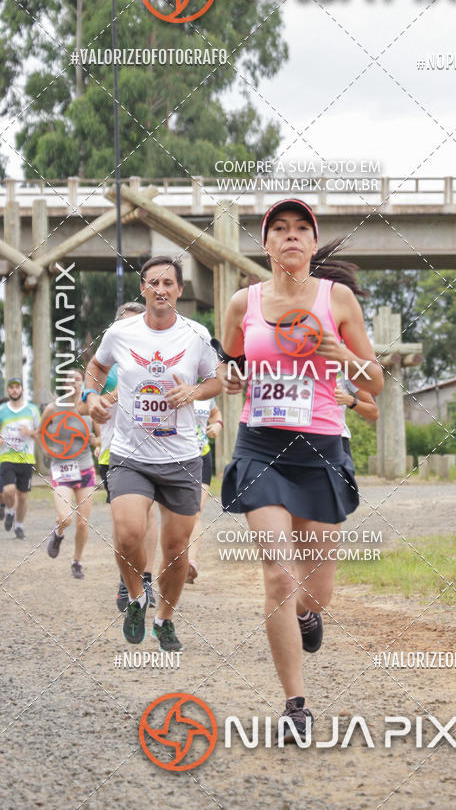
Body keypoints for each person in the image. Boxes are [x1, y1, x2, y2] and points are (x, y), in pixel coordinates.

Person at [220, 198, 383, 742]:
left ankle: (309, 616)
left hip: (320, 450)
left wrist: (342, 355)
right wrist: (232, 376)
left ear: (313, 243)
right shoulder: (242, 302)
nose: (290, 236)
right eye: (279, 229)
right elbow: (231, 361)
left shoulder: (336, 299)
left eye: (300, 229)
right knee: (278, 575)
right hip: (260, 446)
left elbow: (375, 383)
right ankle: (295, 705)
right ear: (266, 243)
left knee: (314, 592)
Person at [83, 257, 220, 652]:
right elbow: (95, 367)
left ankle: (164, 619)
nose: (161, 289)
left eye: (168, 283)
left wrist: (193, 391)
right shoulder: (120, 332)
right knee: (128, 534)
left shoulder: (196, 334)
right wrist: (91, 397)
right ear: (143, 289)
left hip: (181, 458)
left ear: (179, 290)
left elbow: (216, 381)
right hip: (131, 455)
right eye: (153, 282)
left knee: (176, 551)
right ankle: (136, 598)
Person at [92, 301, 158, 611]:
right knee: (126, 524)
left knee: (149, 515)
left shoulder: (157, 360)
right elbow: (82, 404)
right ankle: (126, 579)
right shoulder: (106, 366)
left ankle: (146, 579)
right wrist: (109, 398)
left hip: (153, 448)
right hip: (114, 451)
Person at [43, 370, 97, 578]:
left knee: (83, 523)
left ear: (83, 383)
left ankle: (77, 562)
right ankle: (58, 533)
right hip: (62, 468)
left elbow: (100, 438)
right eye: (69, 380)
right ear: (64, 384)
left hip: (85, 469)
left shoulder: (90, 409)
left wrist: (96, 442)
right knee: (66, 518)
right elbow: (41, 432)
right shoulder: (54, 407)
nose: (73, 383)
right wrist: (47, 448)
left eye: (77, 379)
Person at [186, 397, 223, 584]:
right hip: (176, 459)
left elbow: (216, 414)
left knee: (196, 512)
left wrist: (217, 425)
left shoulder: (206, 394)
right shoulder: (170, 390)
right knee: (178, 513)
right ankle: (176, 559)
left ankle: (190, 563)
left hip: (202, 457)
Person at [0, 377, 40, 539]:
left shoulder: (32, 410)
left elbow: (40, 432)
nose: (14, 390)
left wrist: (30, 432)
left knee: (22, 497)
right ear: (8, 390)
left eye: (17, 387)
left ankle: (19, 526)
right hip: (7, 457)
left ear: (22, 389)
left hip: (26, 458)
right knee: (8, 490)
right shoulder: (2, 410)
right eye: (11, 388)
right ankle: (10, 510)